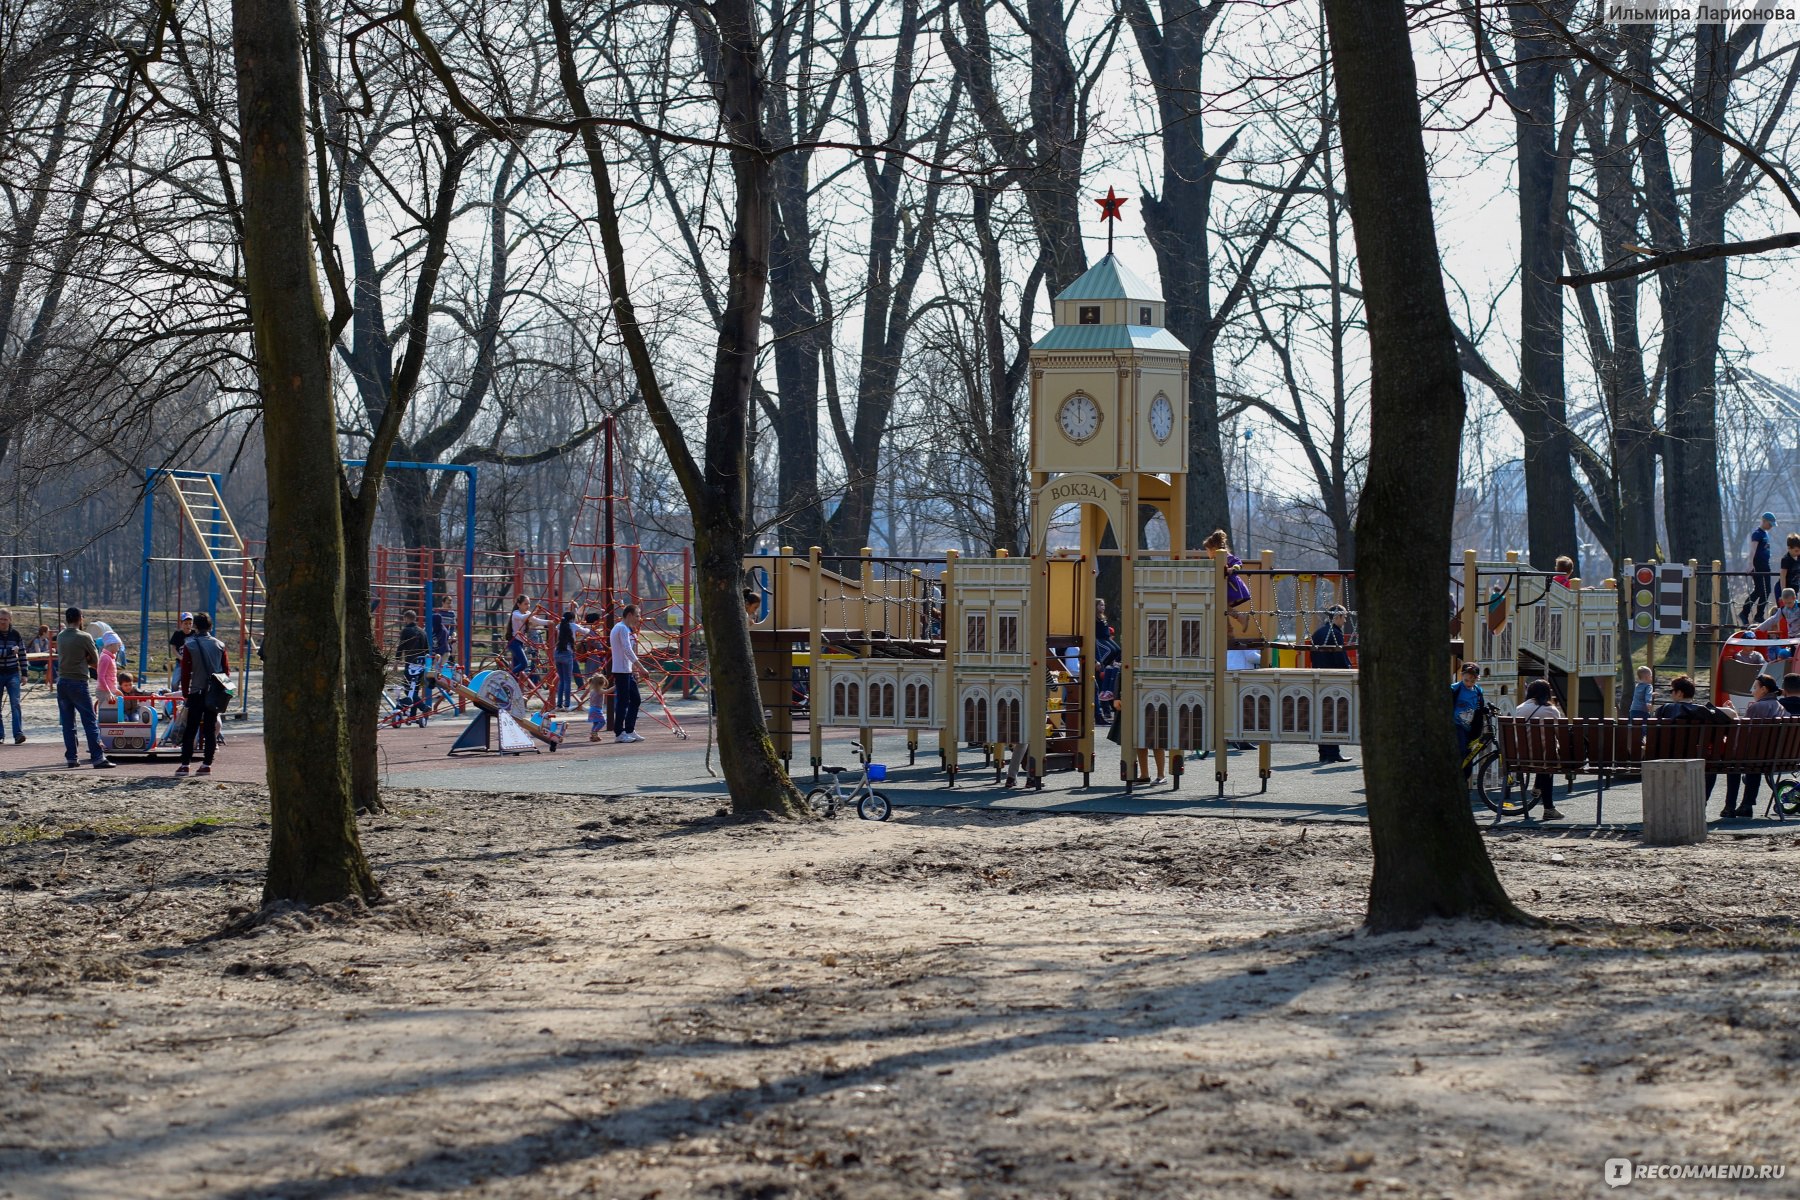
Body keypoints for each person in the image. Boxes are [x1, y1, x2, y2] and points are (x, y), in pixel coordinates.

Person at [1656, 674, 1737, 817]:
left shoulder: (1664, 709)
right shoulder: (1701, 710)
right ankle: (1700, 804)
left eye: (1671, 691)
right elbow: (1732, 714)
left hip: (1667, 757)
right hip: (1698, 758)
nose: (1671, 694)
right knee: (1710, 765)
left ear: (1680, 693)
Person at [1724, 673, 1789, 820]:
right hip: (1775, 757)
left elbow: (1742, 735)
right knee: (1754, 760)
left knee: (1732, 764)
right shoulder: (1779, 707)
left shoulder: (1758, 707)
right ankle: (1746, 805)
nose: (1752, 691)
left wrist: (1733, 717)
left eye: (1755, 688)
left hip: (1755, 757)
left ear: (1764, 690)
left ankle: (1730, 807)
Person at [55, 608, 113, 769]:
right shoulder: (85, 637)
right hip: (79, 682)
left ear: (67, 619)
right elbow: (96, 660)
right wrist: (84, 658)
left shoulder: (60, 636)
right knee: (89, 720)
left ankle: (72, 757)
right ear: (80, 618)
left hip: (62, 682)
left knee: (68, 723)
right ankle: (97, 757)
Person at [175, 612, 229, 777]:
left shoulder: (190, 645)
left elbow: (185, 673)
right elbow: (226, 672)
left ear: (195, 627)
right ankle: (206, 764)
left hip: (196, 692)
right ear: (211, 627)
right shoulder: (220, 645)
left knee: (191, 729)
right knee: (210, 729)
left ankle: (185, 765)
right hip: (213, 693)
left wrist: (185, 693)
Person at [1514, 678, 1566, 820]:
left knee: (1543, 756)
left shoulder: (1519, 709)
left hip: (1520, 758)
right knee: (1548, 757)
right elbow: (1560, 735)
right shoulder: (1551, 710)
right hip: (1545, 759)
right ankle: (1549, 809)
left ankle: (1538, 786)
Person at [1309, 605, 1352, 763]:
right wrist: (1349, 670)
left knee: (1322, 715)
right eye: (1344, 617)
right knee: (1335, 716)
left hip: (1319, 677)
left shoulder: (1318, 633)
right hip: (1334, 679)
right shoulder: (1335, 634)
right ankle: (1333, 753)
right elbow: (1340, 659)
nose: (1345, 620)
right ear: (1338, 617)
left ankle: (1323, 753)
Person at [608, 604, 646, 743]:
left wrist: (634, 669)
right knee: (623, 702)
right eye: (637, 615)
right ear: (629, 615)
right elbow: (627, 650)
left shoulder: (626, 629)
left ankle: (629, 729)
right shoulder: (621, 628)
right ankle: (619, 732)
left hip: (627, 670)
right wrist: (641, 668)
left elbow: (629, 651)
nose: (638, 618)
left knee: (635, 699)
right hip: (621, 670)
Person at [1203, 529, 1252, 616]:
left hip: (1232, 588)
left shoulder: (1226, 557)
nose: (1207, 553)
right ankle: (1232, 625)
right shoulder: (1214, 561)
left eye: (1207, 550)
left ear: (1214, 550)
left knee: (1221, 606)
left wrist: (1233, 568)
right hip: (1222, 588)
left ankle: (1240, 618)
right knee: (1221, 608)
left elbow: (1238, 563)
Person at [553, 609, 594, 711]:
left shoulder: (560, 626)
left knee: (561, 680)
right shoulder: (573, 626)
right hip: (568, 654)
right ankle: (567, 705)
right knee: (567, 680)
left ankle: (559, 705)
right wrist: (586, 626)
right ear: (572, 619)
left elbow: (557, 627)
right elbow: (586, 631)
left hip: (557, 653)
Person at [1741, 512, 1777, 626]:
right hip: (1758, 565)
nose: (1771, 526)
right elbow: (1752, 550)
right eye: (1770, 524)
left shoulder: (1765, 534)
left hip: (1766, 565)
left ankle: (1759, 615)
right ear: (1764, 521)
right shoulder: (1757, 534)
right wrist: (1750, 564)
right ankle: (1744, 612)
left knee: (1767, 590)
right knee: (1759, 589)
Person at [1452, 662, 1485, 774]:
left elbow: (1479, 707)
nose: (1469, 683)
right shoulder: (1455, 689)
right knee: (1461, 750)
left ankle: (1464, 779)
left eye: (1473, 681)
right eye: (1466, 680)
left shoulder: (1478, 691)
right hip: (1457, 725)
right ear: (1462, 676)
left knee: (1468, 756)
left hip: (1469, 727)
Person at [395, 609, 430, 717]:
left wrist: (396, 661)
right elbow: (427, 649)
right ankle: (413, 714)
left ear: (406, 618)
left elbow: (401, 647)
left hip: (410, 663)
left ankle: (423, 707)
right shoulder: (422, 631)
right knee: (414, 690)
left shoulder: (406, 631)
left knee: (407, 689)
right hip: (421, 664)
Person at [508, 595, 550, 680]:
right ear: (519, 604)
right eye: (525, 604)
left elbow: (537, 621)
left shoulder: (527, 614)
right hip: (514, 642)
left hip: (520, 643)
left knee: (517, 669)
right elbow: (523, 617)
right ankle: (506, 677)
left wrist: (550, 622)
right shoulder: (516, 613)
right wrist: (535, 612)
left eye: (529, 604)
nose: (528, 606)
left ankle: (511, 687)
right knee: (524, 664)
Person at [0, 609, 25, 744]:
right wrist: (10, 651)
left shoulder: (16, 634)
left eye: (5, 619)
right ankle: (0, 734)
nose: (3, 622)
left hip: (13, 673)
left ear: (10, 620)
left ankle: (18, 734)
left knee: (15, 704)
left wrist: (25, 673)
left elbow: (22, 654)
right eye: (0, 619)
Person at [167, 612, 195, 692]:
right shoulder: (177, 634)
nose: (188, 626)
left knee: (193, 683)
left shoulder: (195, 634)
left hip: (193, 663)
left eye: (190, 623)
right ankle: (174, 701)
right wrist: (181, 657)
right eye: (185, 623)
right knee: (174, 683)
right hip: (181, 663)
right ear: (181, 624)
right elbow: (173, 648)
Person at [585, 673, 612, 743]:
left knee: (596, 723)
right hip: (597, 709)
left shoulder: (592, 691)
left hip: (592, 709)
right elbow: (607, 691)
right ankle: (594, 732)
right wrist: (616, 686)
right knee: (603, 722)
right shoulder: (599, 691)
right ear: (601, 684)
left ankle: (593, 736)